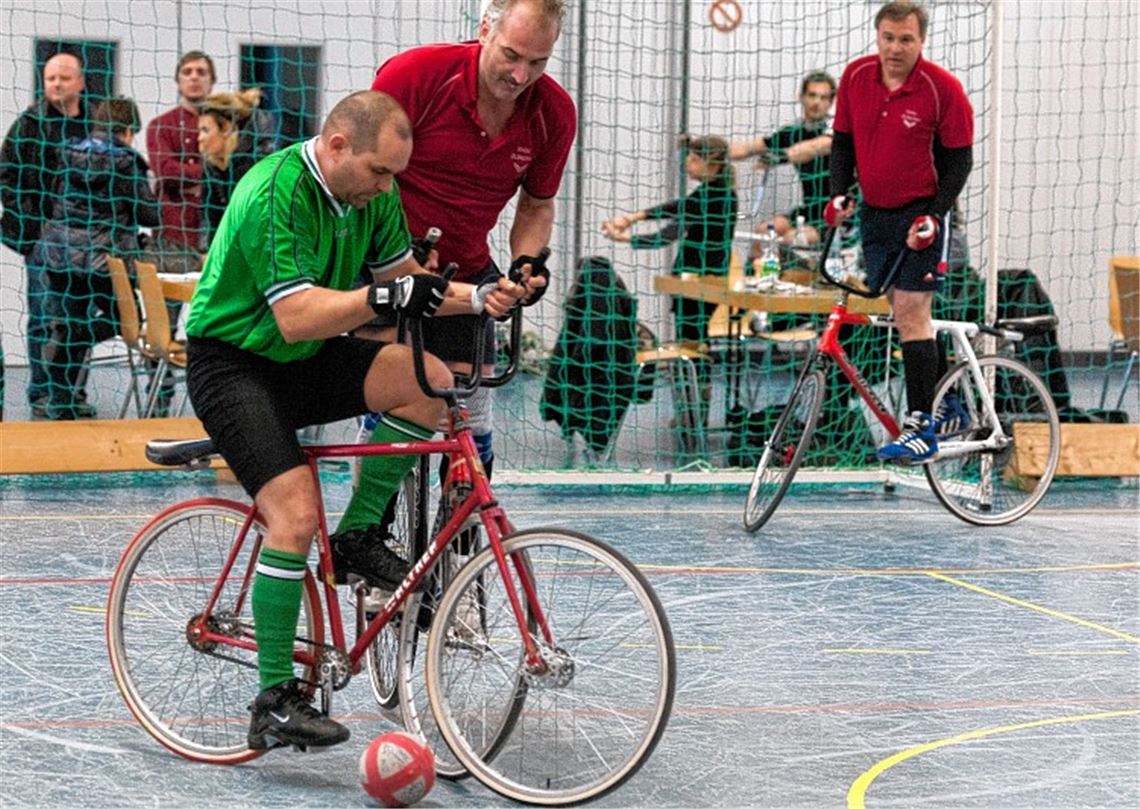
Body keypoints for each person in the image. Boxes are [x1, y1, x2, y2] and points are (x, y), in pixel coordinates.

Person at [185, 90, 527, 751]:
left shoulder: (372, 193)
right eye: (379, 172)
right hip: (234, 363)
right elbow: (297, 315)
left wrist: (481, 297)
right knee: (292, 512)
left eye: (395, 174)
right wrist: (383, 294)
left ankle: (360, 534)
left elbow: (403, 278)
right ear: (338, 146)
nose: (387, 187)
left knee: (430, 380)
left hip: (303, 357)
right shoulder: (274, 190)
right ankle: (274, 698)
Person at [333, 0, 574, 553]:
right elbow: (363, 177)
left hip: (467, 274)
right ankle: (364, 538)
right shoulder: (416, 76)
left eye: (537, 63)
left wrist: (526, 265)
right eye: (511, 55)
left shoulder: (552, 112)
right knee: (399, 398)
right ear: (484, 30)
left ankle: (459, 557)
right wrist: (395, 260)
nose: (520, 75)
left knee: (466, 422)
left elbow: (537, 205)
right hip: (385, 266)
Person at [825, 0, 974, 463]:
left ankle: (920, 427)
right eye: (888, 38)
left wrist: (934, 214)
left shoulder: (942, 89)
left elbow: (958, 160)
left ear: (921, 40)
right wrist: (837, 193)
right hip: (876, 214)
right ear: (878, 36)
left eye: (906, 39)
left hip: (921, 216)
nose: (895, 48)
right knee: (907, 316)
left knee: (911, 312)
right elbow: (843, 142)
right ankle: (951, 405)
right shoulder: (854, 77)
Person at [32, 98, 160, 419]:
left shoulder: (67, 153)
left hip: (60, 257)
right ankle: (66, 360)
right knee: (127, 321)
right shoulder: (127, 162)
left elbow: (50, 199)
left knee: (71, 323)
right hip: (105, 262)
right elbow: (148, 213)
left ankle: (61, 403)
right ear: (128, 130)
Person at [600, 135, 737, 428]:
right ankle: (692, 412)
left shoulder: (716, 197)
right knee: (694, 342)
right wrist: (635, 217)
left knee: (695, 346)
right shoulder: (714, 192)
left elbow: (673, 230)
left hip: (700, 285)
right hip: (692, 284)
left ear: (710, 165)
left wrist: (629, 237)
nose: (688, 162)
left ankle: (696, 413)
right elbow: (678, 207)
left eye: (693, 158)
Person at [0, 52, 90, 415]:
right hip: (42, 240)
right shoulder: (30, 123)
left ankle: (71, 393)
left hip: (86, 241)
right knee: (43, 315)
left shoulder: (93, 126)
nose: (55, 84)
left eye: (64, 78)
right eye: (50, 78)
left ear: (81, 82)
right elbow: (5, 174)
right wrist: (33, 224)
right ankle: (41, 392)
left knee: (79, 317)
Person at [730, 70, 836, 247]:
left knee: (791, 238)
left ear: (831, 102)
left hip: (840, 216)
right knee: (763, 232)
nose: (817, 102)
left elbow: (813, 148)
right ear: (801, 97)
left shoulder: (836, 129)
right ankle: (753, 274)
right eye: (812, 95)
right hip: (811, 211)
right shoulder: (793, 132)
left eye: (824, 98)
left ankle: (790, 274)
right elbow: (748, 148)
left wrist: (780, 156)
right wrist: (702, 148)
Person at [146, 50, 215, 273]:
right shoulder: (161, 126)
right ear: (178, 81)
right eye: (187, 72)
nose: (194, 77)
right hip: (172, 232)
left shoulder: (225, 125)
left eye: (201, 72)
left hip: (216, 229)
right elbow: (166, 171)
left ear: (211, 80)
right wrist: (209, 173)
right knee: (167, 305)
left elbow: (234, 169)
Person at [196, 88, 267, 247]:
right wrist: (207, 251)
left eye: (205, 130)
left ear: (227, 128)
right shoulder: (211, 166)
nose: (199, 138)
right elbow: (209, 217)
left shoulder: (259, 162)